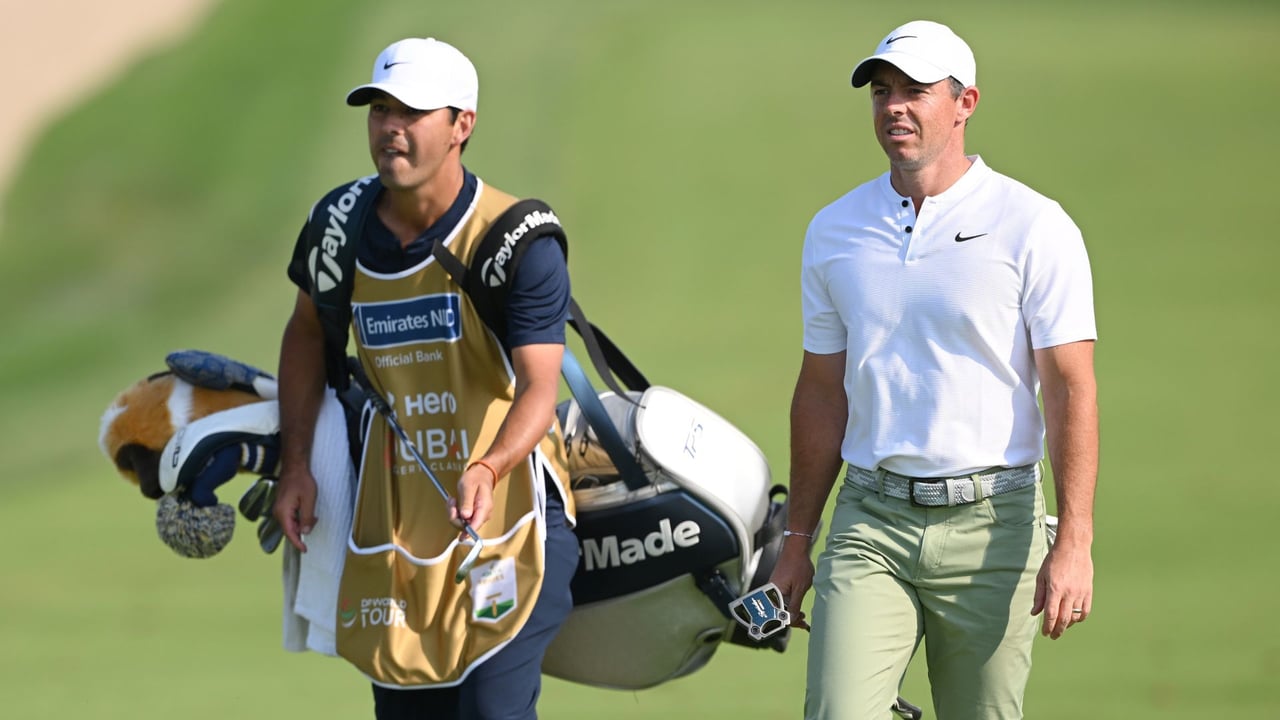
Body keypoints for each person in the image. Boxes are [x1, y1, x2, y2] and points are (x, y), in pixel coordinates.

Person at [770, 20, 1098, 720]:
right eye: (883, 91)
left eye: (916, 91)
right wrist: (797, 541)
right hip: (870, 521)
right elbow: (822, 392)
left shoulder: (1033, 225)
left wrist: (1074, 540)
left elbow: (1071, 388)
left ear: (965, 103)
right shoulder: (835, 230)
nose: (895, 107)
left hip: (995, 525)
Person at [271, 37, 578, 720]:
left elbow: (539, 389)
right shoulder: (340, 225)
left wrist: (490, 467)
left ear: (461, 123)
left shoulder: (513, 238)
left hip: (512, 518)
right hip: (395, 525)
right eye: (379, 109)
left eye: (411, 111)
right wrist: (297, 465)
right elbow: (306, 333)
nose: (390, 128)